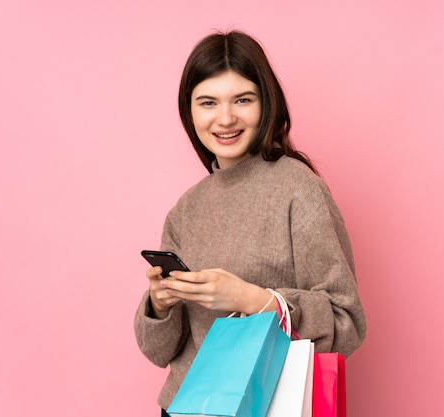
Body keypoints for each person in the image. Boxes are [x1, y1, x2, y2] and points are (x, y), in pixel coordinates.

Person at [134, 30, 366, 416]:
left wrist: (254, 300)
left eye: (242, 99)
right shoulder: (185, 210)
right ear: (189, 111)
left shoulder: (299, 190)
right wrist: (160, 306)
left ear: (266, 103)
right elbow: (159, 353)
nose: (225, 118)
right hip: (187, 407)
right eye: (208, 102)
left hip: (270, 405)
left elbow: (348, 323)